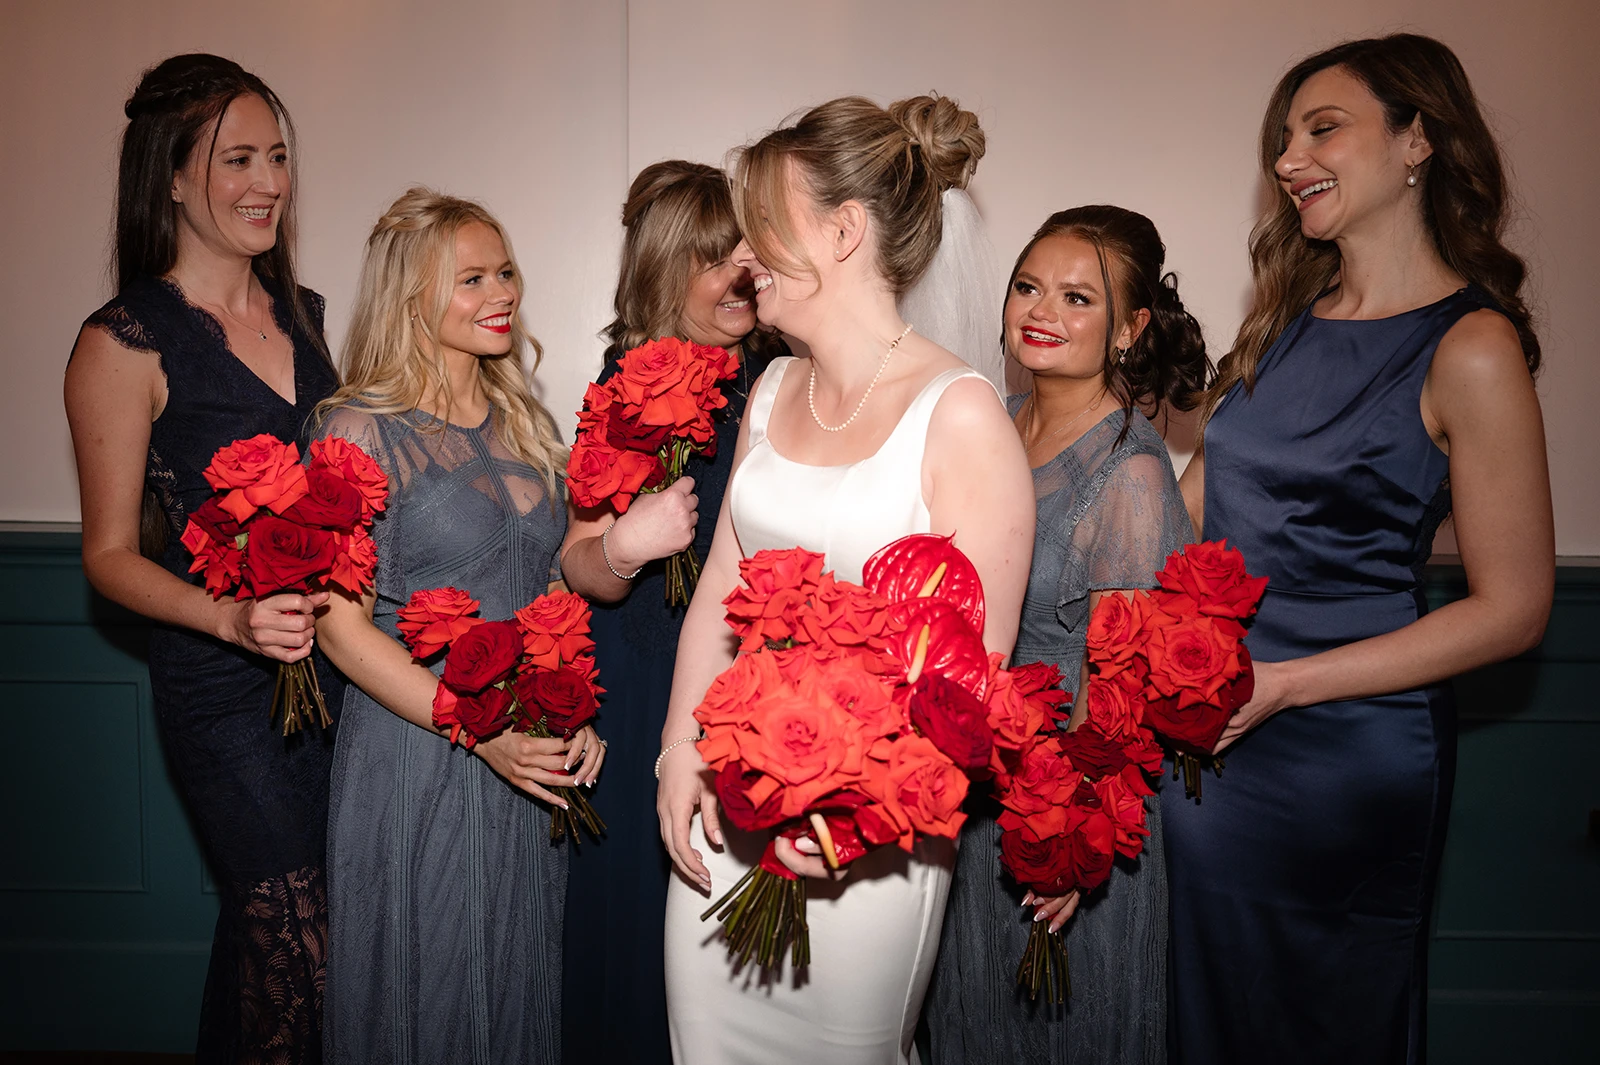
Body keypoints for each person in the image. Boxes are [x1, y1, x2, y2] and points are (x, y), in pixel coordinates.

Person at [1165, 34, 1554, 1065]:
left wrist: (1288, 686)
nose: (1289, 158)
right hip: (1214, 734)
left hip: (1346, 750)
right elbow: (1190, 520)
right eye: (1282, 139)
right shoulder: (1283, 322)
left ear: (1417, 139)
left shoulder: (1470, 346)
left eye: (1321, 129)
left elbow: (1514, 610)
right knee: (1202, 1009)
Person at [655, 93, 1035, 1064]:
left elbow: (968, 696)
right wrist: (678, 747)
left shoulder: (960, 417)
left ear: (842, 230)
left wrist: (841, 829)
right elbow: (720, 589)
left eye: (761, 228)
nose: (742, 256)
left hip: (875, 844)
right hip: (732, 812)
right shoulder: (772, 388)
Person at [63, 53, 340, 1063]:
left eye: (276, 155)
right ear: (173, 177)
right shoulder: (125, 341)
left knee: (273, 949)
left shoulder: (307, 314)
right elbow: (104, 555)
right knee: (300, 949)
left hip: (331, 680)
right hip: (220, 694)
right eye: (236, 159)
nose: (266, 180)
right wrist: (227, 617)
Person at [311, 189, 606, 1065]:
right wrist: (481, 733)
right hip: (418, 754)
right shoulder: (356, 430)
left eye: (504, 270)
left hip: (527, 762)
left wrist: (570, 707)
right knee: (426, 990)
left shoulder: (528, 423)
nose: (500, 292)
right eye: (470, 278)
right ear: (412, 301)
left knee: (514, 984)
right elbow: (337, 627)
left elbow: (550, 589)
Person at [928, 206, 1209, 1063]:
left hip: (1064, 814)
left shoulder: (1126, 472)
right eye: (1027, 286)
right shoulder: (992, 419)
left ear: (1130, 328)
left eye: (1078, 297)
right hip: (969, 792)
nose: (1042, 310)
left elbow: (1120, 695)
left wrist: (1071, 840)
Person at [559, 160, 789, 1065]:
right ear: (664, 269)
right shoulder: (620, 391)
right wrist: (625, 543)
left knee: (739, 941)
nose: (738, 271)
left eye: (746, 249)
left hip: (756, 689)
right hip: (639, 686)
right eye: (711, 257)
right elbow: (579, 564)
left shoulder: (789, 383)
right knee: (631, 922)